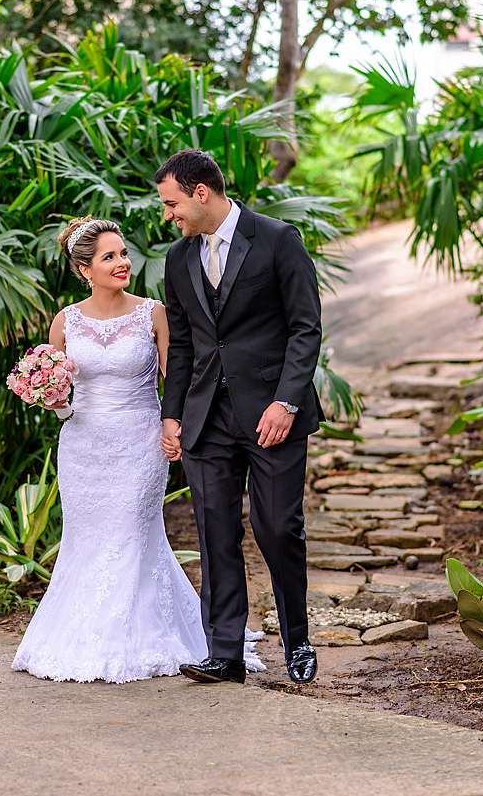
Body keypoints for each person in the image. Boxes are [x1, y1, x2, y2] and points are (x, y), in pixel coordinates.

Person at [11, 216, 262, 683]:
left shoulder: (153, 313)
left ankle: (135, 639)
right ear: (85, 269)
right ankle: (81, 637)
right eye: (110, 256)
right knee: (86, 540)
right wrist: (48, 395)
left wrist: (181, 425)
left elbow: (178, 377)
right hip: (83, 447)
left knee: (131, 532)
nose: (123, 262)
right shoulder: (65, 320)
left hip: (139, 443)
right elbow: (60, 391)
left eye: (123, 253)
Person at [155, 149, 324, 685]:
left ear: (201, 192)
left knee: (278, 530)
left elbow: (305, 328)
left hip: (273, 415)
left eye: (172, 203)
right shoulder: (178, 260)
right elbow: (181, 345)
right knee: (215, 533)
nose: (168, 215)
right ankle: (224, 653)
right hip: (206, 419)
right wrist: (172, 414)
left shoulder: (277, 239)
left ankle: (298, 643)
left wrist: (287, 401)